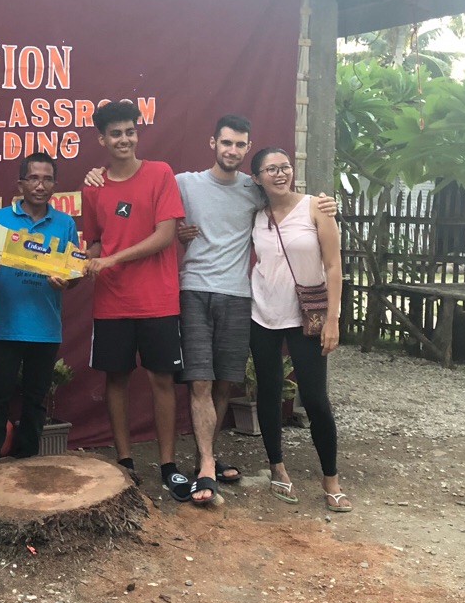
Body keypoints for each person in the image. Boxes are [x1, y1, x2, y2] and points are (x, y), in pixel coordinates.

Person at [87, 114, 337, 502]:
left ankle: (209, 455)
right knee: (200, 381)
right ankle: (205, 465)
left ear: (246, 149)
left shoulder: (254, 190)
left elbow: (286, 197)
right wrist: (94, 175)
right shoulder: (182, 183)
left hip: (239, 296)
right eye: (226, 143)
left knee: (223, 383)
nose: (232, 151)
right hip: (192, 292)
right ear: (212, 144)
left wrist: (323, 203)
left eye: (240, 145)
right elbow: (141, 196)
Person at [80, 101, 193, 498]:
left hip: (158, 301)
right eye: (115, 133)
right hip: (112, 302)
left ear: (136, 134)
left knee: (163, 381)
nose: (123, 139)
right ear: (102, 139)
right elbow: (95, 242)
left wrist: (112, 258)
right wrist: (79, 263)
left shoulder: (160, 173)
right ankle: (125, 463)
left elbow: (165, 235)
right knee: (116, 380)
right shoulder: (93, 185)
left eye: (129, 131)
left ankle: (168, 465)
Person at [249, 146, 350, 513]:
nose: (280, 174)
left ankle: (332, 481)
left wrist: (333, 319)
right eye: (270, 169)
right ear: (257, 177)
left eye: (285, 167)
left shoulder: (316, 209)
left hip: (307, 317)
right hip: (262, 315)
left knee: (316, 399)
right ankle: (277, 467)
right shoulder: (255, 215)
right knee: (269, 390)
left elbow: (334, 266)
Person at [0, 153, 80, 461]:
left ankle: (27, 464)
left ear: (55, 185)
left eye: (47, 179)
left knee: (35, 401)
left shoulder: (64, 224)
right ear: (21, 182)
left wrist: (67, 281)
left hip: (45, 328)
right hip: (6, 325)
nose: (40, 185)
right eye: (34, 178)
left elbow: (73, 274)